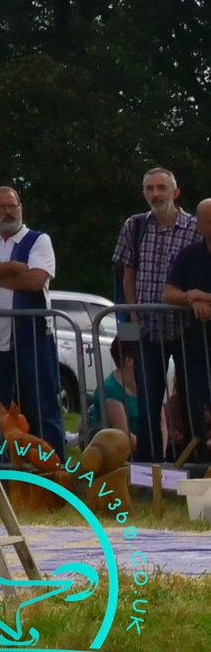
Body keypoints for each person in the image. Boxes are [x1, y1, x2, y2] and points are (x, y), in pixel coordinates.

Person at [0, 184, 64, 455]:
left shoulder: (38, 240)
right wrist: (9, 268)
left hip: (31, 337)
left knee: (42, 406)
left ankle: (53, 468)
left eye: (12, 206)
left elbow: (35, 280)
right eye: (2, 207)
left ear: (20, 207)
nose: (8, 212)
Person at [114, 167, 201, 466]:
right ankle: (147, 472)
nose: (155, 194)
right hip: (147, 329)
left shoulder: (194, 227)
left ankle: (191, 466)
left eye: (161, 188)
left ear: (175, 193)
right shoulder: (134, 226)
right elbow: (128, 276)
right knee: (148, 404)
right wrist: (134, 317)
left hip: (188, 327)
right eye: (150, 188)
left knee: (192, 400)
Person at [157, 198, 211, 474]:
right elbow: (168, 293)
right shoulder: (190, 255)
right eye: (209, 221)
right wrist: (191, 297)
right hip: (196, 346)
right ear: (199, 225)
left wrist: (206, 297)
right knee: (192, 406)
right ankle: (199, 468)